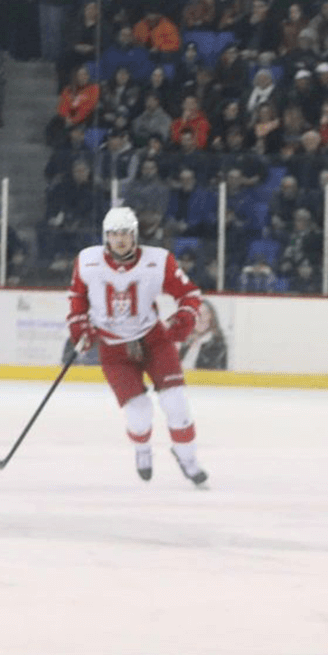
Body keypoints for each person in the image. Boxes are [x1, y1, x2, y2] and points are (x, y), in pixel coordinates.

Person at [66, 205, 209, 485]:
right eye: (114, 234)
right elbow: (77, 297)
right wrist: (79, 326)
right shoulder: (87, 261)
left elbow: (189, 293)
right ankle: (143, 449)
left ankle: (188, 459)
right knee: (139, 413)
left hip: (154, 340)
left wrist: (185, 317)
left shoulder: (158, 260)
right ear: (106, 236)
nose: (120, 239)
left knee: (176, 403)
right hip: (113, 347)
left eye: (126, 233)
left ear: (135, 235)